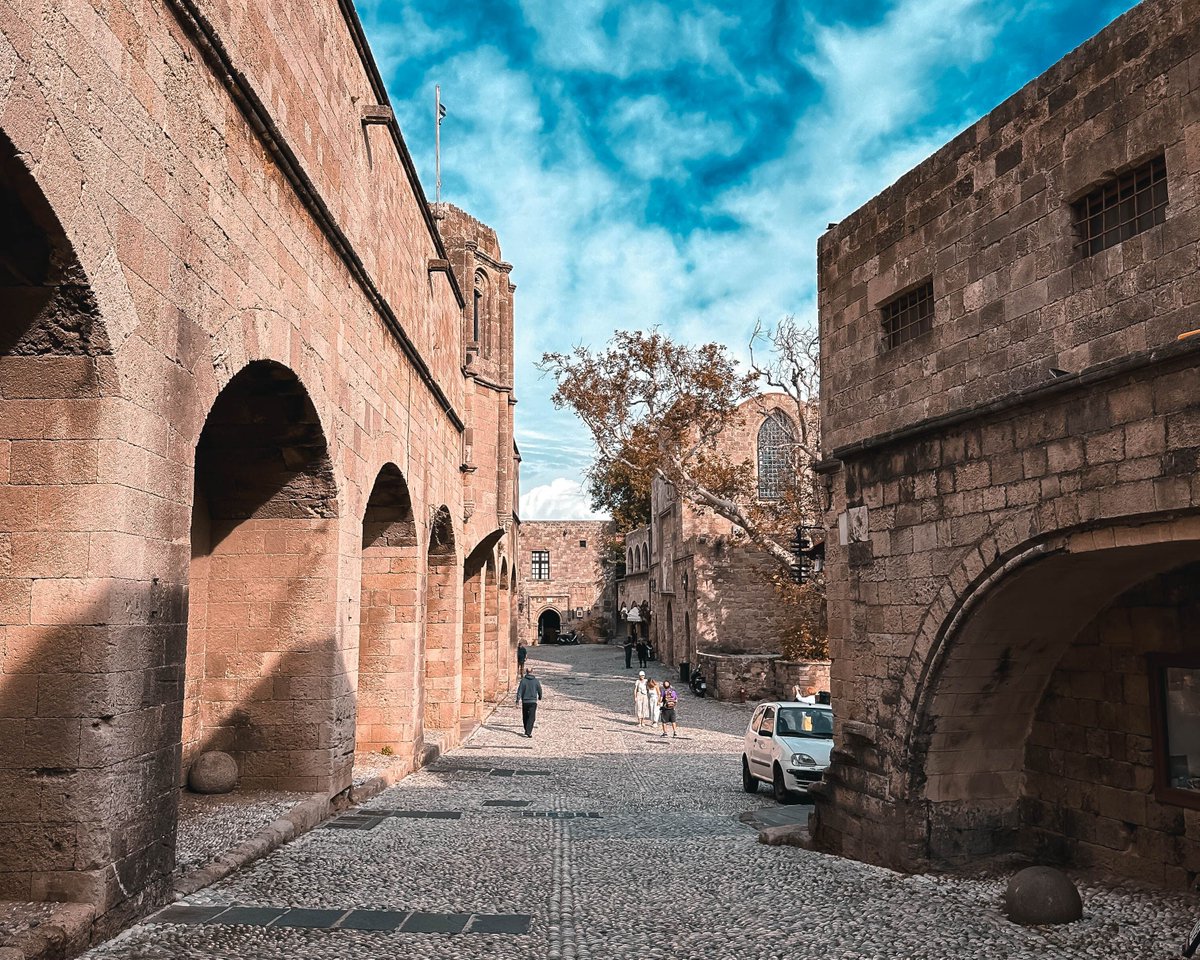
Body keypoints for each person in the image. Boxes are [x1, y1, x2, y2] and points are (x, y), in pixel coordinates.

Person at [515, 667, 543, 738]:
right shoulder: (536, 681)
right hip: (533, 701)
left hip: (525, 701)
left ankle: (526, 729)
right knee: (532, 717)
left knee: (525, 716)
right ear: (532, 672)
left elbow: (520, 690)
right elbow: (539, 689)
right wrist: (540, 696)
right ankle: (529, 731)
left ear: (526, 672)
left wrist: (518, 700)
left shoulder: (523, 681)